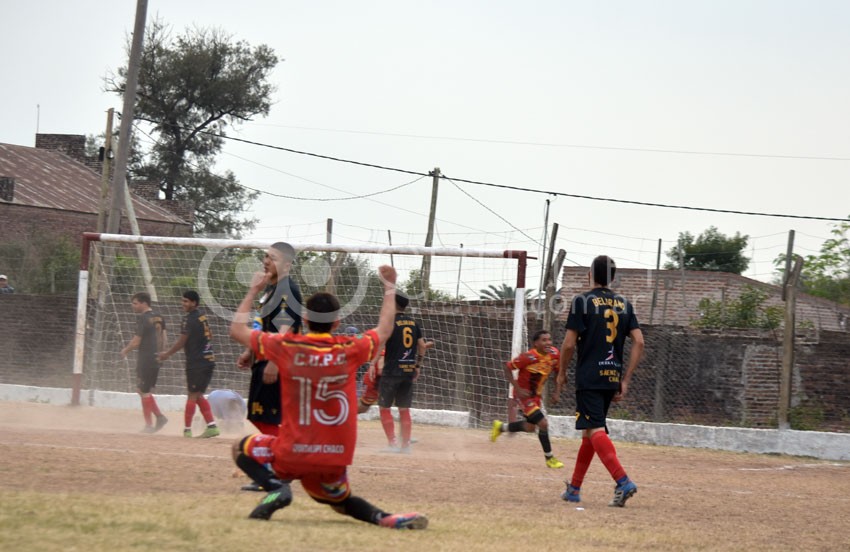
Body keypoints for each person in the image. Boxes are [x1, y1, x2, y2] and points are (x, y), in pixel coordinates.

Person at [228, 264, 428, 529]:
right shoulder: (350, 348)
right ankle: (386, 518)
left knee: (240, 448)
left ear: (305, 320)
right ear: (337, 322)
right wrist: (389, 286)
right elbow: (384, 330)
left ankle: (277, 489)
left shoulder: (288, 346)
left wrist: (254, 290)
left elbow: (237, 331)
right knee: (340, 501)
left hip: (292, 453)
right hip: (334, 459)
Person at [555, 255, 644, 507]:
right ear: (613, 278)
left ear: (589, 275)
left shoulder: (582, 301)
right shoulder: (625, 304)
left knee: (594, 429)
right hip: (611, 376)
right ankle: (574, 488)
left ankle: (623, 481)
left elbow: (569, 344)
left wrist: (561, 372)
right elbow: (639, 341)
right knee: (590, 432)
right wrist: (625, 379)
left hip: (589, 376)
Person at [236, 242, 303, 437]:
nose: (266, 262)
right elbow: (264, 324)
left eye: (273, 259)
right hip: (264, 358)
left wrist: (274, 362)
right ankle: (283, 454)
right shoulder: (270, 289)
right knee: (260, 417)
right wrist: (250, 351)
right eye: (266, 256)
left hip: (278, 363)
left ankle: (285, 456)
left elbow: (286, 328)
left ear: (287, 265)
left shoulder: (287, 290)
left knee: (267, 418)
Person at [490, 330, 565, 469]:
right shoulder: (528, 357)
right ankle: (550, 459)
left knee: (530, 427)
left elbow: (558, 374)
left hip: (536, 396)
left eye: (549, 339)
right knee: (543, 424)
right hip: (523, 395)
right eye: (544, 340)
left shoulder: (554, 354)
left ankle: (500, 427)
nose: (548, 343)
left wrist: (557, 392)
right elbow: (507, 367)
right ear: (536, 343)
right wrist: (517, 388)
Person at [158, 290, 220, 438]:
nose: (183, 304)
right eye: (182, 301)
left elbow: (182, 341)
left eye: (186, 301)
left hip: (197, 362)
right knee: (198, 394)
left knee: (192, 395)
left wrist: (167, 354)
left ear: (194, 303)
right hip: (209, 360)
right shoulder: (202, 317)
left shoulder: (189, 319)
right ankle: (211, 426)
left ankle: (187, 430)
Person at [377, 293, 433, 453]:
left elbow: (380, 345)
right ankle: (406, 445)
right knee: (404, 408)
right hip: (408, 371)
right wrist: (418, 365)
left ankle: (392, 443)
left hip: (391, 371)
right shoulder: (413, 323)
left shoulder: (389, 323)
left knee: (384, 407)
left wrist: (374, 364)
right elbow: (422, 346)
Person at [120, 291, 168, 433]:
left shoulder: (143, 318)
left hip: (146, 359)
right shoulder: (159, 317)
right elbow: (164, 337)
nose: (133, 306)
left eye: (135, 303)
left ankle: (149, 425)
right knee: (141, 390)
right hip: (156, 358)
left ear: (144, 303)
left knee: (144, 391)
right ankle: (160, 417)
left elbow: (136, 341)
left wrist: (125, 351)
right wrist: (163, 354)